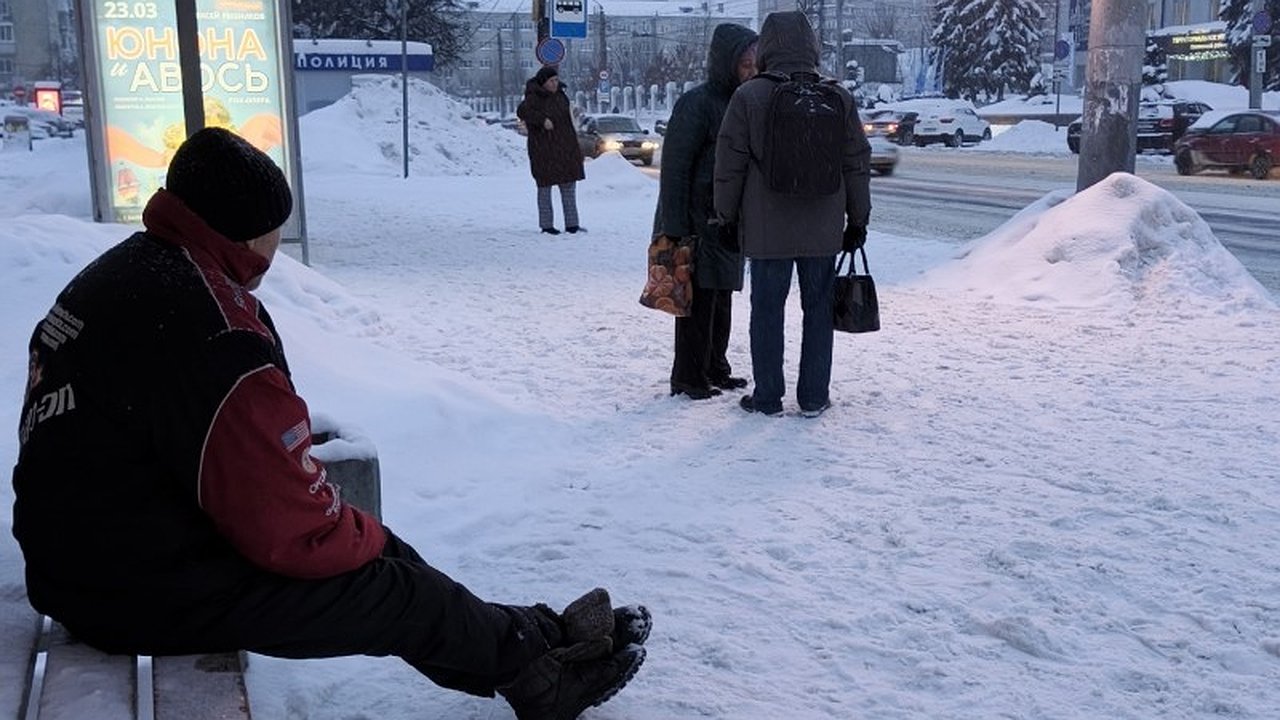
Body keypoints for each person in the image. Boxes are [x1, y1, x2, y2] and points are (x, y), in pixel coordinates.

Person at [11, 127, 647, 720]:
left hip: (91, 560)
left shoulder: (131, 269)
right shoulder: (214, 329)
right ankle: (542, 680)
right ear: (243, 234)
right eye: (272, 232)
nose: (276, 248)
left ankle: (533, 638)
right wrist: (357, 535)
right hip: (135, 588)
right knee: (396, 592)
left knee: (385, 556)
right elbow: (291, 531)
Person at [713, 10, 872, 418]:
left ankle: (767, 396)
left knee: (767, 310)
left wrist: (725, 217)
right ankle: (814, 396)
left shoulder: (749, 95)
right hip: (822, 226)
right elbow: (856, 161)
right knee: (818, 309)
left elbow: (729, 165)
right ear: (812, 45)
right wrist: (858, 219)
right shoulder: (838, 96)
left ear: (765, 47)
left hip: (767, 229)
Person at [654, 23, 758, 400]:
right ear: (726, 62)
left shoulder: (742, 101)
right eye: (745, 64)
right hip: (695, 221)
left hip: (727, 221)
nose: (751, 71)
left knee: (722, 297)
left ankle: (716, 366)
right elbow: (676, 168)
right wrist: (677, 227)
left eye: (754, 64)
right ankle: (688, 377)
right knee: (695, 303)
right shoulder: (697, 104)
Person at [517, 66, 586, 235]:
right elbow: (522, 111)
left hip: (565, 148)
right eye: (551, 81)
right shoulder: (533, 97)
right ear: (544, 82)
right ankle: (547, 226)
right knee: (545, 188)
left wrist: (575, 149)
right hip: (544, 151)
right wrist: (541, 120)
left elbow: (568, 121)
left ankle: (572, 225)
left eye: (556, 80)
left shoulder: (561, 96)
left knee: (568, 187)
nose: (555, 83)